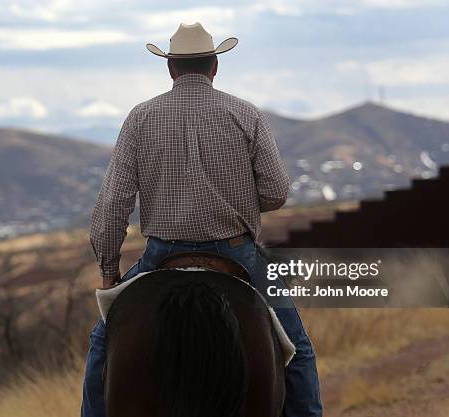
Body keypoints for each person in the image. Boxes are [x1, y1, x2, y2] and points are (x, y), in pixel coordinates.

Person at [82, 22, 322, 417]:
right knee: (298, 349)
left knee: (101, 345)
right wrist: (239, 202)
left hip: (161, 255)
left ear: (171, 69)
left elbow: (112, 205)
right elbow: (277, 191)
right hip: (237, 252)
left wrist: (109, 270)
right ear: (214, 67)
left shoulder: (140, 118)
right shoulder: (246, 114)